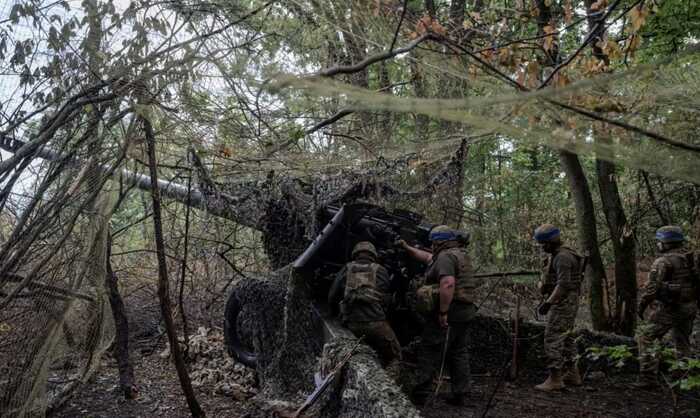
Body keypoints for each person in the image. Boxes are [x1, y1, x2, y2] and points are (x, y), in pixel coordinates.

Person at [398, 225, 478, 406]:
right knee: (459, 352)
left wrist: (443, 312)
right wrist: (407, 247)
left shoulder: (445, 257)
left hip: (450, 312)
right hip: (466, 312)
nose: (431, 246)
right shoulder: (459, 254)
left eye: (433, 242)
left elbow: (448, 284)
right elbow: (427, 257)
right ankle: (461, 394)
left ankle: (421, 395)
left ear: (440, 242)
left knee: (430, 350)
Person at [636, 225, 699, 388]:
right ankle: (683, 376)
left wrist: (642, 306)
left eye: (659, 241)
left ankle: (648, 378)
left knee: (646, 336)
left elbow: (651, 289)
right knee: (682, 340)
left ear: (665, 242)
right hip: (690, 306)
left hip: (670, 308)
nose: (658, 244)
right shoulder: (691, 258)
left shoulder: (663, 261)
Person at [328, 241, 401, 380]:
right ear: (373, 255)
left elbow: (332, 295)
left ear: (355, 254)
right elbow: (387, 299)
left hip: (351, 323)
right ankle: (386, 384)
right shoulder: (381, 270)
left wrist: (334, 313)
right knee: (395, 356)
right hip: (376, 324)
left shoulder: (346, 268)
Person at [534, 224, 584, 391]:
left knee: (552, 338)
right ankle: (573, 373)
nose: (542, 247)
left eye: (544, 244)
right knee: (567, 337)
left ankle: (555, 378)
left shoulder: (562, 257)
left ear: (552, 241)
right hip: (566, 301)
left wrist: (547, 304)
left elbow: (563, 285)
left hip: (563, 302)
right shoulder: (561, 253)